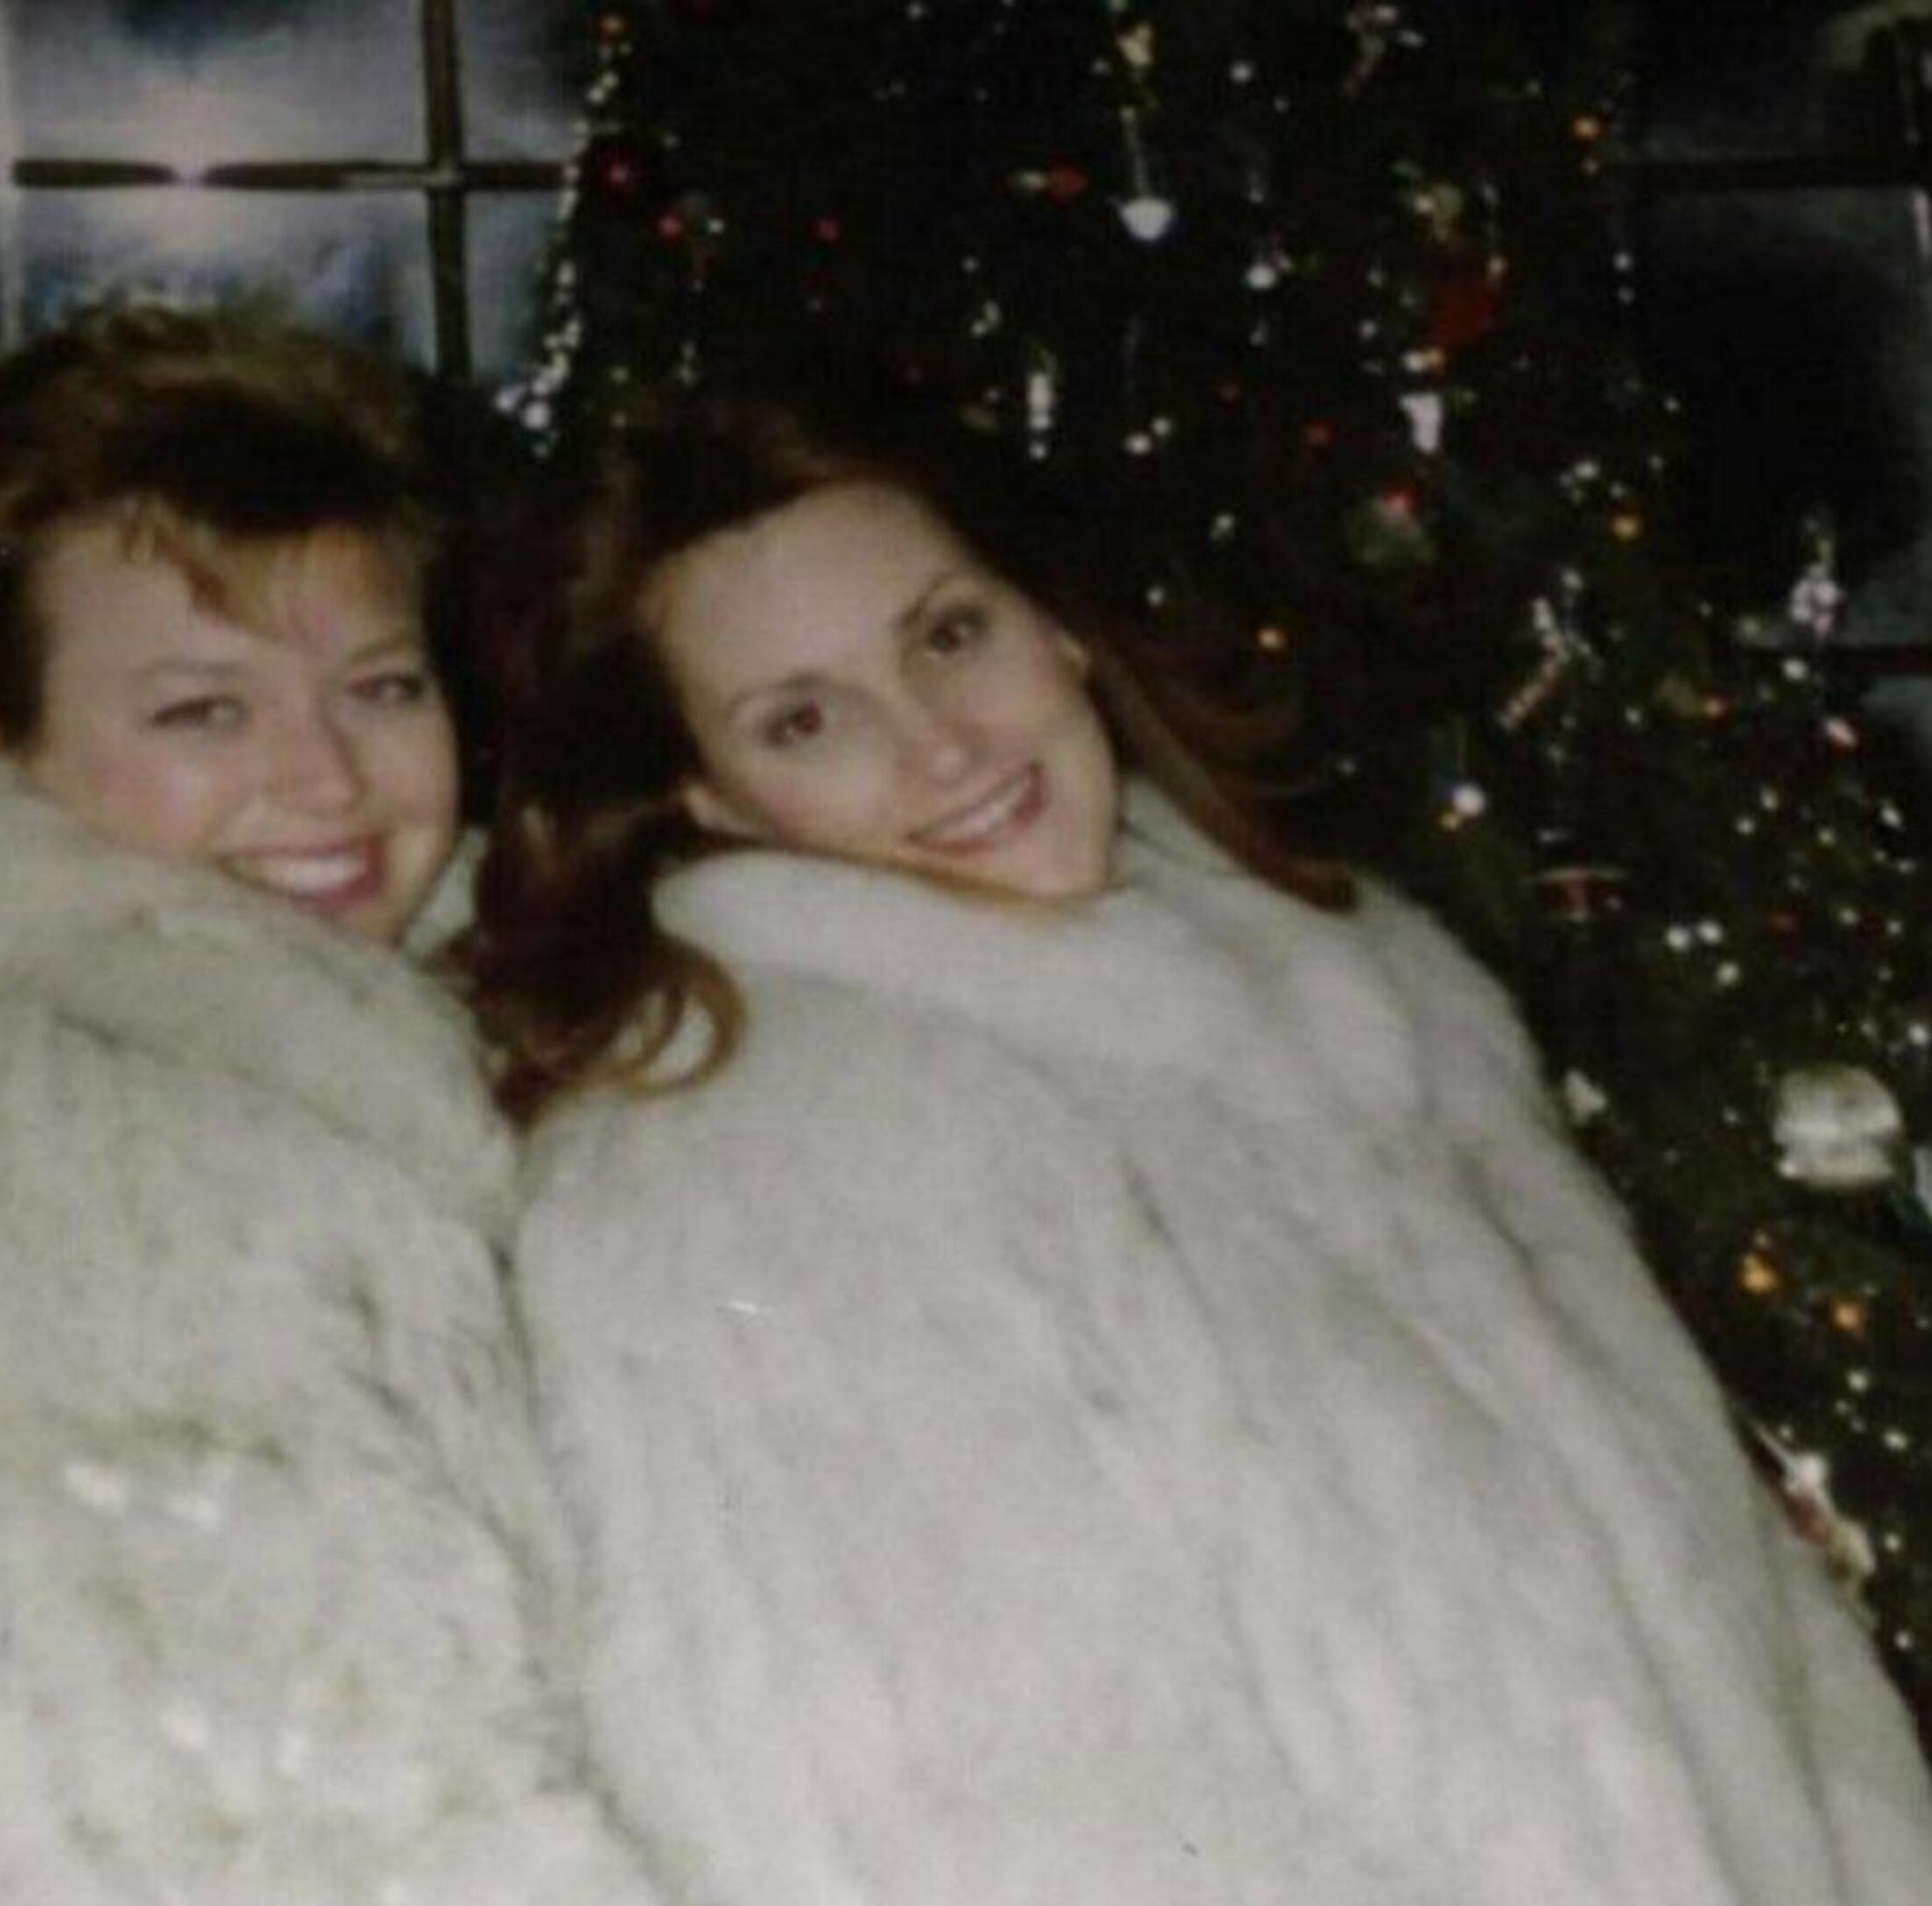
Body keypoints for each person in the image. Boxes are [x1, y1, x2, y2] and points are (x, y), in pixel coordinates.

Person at [465, 374, 1932, 1906]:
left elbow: (1744, 1635)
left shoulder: (1372, 998)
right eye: (808, 719)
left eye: (949, 634)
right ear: (718, 797)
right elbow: (979, 1842)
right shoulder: (763, 1171)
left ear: (1057, 626)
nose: (944, 746)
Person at [0, 304, 662, 1906]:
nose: (327, 782)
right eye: (203, 710)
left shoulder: (426, 1014)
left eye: (381, 688)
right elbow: (251, 1805)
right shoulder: (5, 1135)